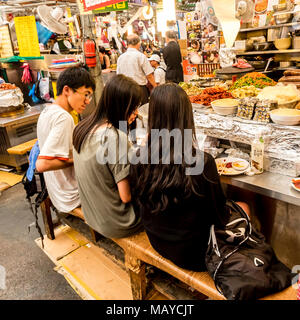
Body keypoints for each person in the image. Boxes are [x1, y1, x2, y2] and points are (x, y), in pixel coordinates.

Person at [130, 83, 249, 271]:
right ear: (187, 117)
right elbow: (218, 216)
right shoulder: (202, 162)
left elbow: (138, 204)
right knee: (244, 207)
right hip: (196, 255)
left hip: (158, 241)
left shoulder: (138, 157)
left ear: (153, 117)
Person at [72, 74, 144, 238]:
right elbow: (126, 197)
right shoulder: (115, 137)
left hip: (93, 215)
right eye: (132, 108)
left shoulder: (82, 128)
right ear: (120, 106)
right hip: (120, 222)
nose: (136, 113)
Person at [36, 67, 95, 219]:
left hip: (56, 192)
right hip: (70, 196)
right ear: (67, 90)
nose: (88, 101)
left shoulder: (47, 111)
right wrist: (78, 159)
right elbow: (42, 165)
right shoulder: (64, 118)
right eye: (85, 95)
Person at [117, 34, 157, 105]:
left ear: (127, 44)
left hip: (124, 90)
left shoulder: (120, 58)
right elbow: (149, 75)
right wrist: (156, 87)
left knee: (128, 111)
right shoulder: (141, 56)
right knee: (141, 111)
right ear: (138, 43)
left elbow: (118, 76)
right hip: (139, 89)